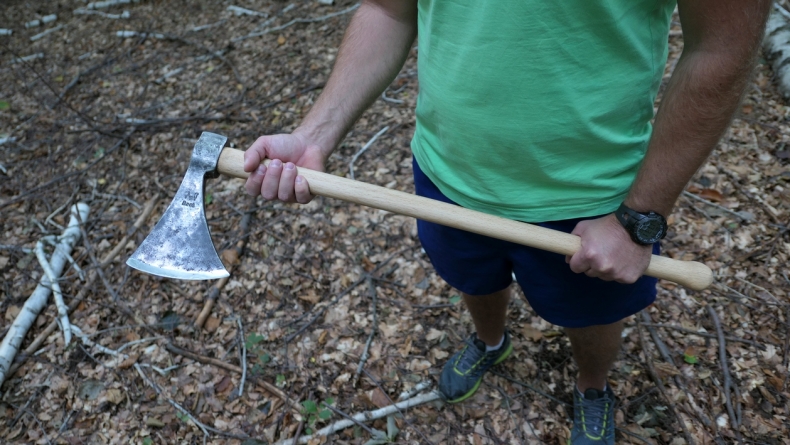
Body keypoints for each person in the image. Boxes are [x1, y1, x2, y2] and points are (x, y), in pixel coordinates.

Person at [243, 1, 770, 443]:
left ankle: (592, 387)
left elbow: (722, 48)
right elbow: (389, 7)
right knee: (474, 279)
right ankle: (492, 343)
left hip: (596, 201)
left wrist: (637, 220)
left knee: (591, 312)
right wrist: (315, 135)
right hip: (446, 178)